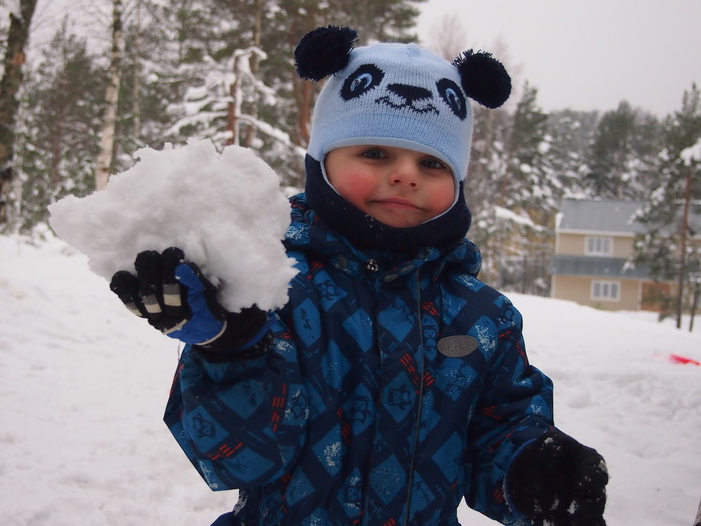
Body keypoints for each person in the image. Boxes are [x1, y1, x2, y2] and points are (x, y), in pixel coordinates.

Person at [110, 26, 609, 525]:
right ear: (322, 161)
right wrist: (231, 348)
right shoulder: (274, 287)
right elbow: (234, 457)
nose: (406, 174)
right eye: (375, 153)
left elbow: (497, 432)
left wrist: (531, 467)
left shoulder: (483, 317)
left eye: (432, 162)